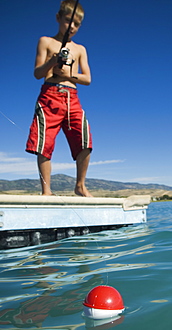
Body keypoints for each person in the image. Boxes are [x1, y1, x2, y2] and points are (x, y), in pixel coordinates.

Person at [26, 0, 93, 196]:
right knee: (44, 143)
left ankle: (80, 186)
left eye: (77, 24)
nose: (71, 26)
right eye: (67, 21)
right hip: (49, 96)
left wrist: (67, 76)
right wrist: (52, 61)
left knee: (84, 140)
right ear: (58, 18)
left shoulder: (81, 49)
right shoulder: (45, 41)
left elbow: (87, 79)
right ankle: (46, 191)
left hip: (72, 97)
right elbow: (37, 73)